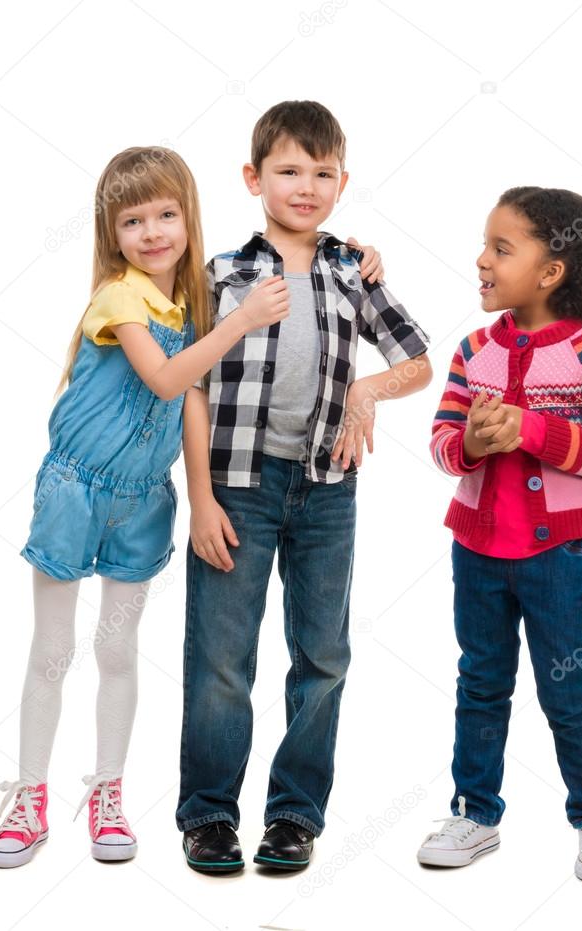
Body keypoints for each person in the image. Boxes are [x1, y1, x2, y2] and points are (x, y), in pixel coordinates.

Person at [0, 145, 293, 867]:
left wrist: (362, 256)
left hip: (143, 499)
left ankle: (107, 792)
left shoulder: (194, 301)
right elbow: (164, 379)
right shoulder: (121, 297)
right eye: (132, 220)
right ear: (111, 232)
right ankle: (30, 796)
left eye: (165, 214)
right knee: (53, 649)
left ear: (188, 216)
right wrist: (239, 324)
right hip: (76, 491)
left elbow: (193, 399)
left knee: (117, 649)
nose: (152, 232)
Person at [176, 100, 432, 874]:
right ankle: (209, 814)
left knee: (322, 655)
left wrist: (366, 391)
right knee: (221, 657)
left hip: (326, 490)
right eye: (288, 170)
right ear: (253, 178)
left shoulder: (354, 270)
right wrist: (200, 498)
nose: (306, 186)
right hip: (237, 485)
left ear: (342, 183)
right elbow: (188, 385)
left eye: (323, 174)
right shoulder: (221, 274)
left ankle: (293, 813)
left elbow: (418, 360)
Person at [418, 186, 582, 883]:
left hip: (561, 555)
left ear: (550, 271)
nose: (481, 260)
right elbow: (442, 445)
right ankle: (474, 812)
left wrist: (528, 428)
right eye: (484, 245)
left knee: (568, 690)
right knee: (480, 683)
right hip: (477, 551)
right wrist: (473, 441)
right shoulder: (473, 350)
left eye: (501, 248)